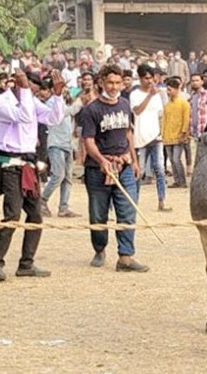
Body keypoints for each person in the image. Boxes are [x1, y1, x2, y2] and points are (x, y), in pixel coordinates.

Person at [0, 69, 67, 281]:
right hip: (11, 164)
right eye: (30, 85)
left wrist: (58, 96)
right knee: (13, 215)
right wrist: (24, 90)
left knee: (35, 215)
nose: (34, 90)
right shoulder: (1, 102)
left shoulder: (31, 101)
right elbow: (24, 116)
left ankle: (26, 264)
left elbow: (53, 118)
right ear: (18, 83)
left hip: (29, 165)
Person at [78, 65, 149, 272]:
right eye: (110, 82)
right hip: (98, 170)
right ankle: (100, 249)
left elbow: (128, 134)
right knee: (98, 214)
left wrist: (134, 161)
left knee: (127, 211)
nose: (114, 87)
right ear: (101, 82)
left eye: (118, 83)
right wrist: (101, 161)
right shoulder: (92, 110)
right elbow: (88, 141)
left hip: (124, 166)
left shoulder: (125, 105)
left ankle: (125, 257)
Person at [130, 65, 171, 212]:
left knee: (159, 169)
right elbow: (137, 111)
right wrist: (149, 95)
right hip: (141, 136)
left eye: (151, 78)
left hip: (156, 136)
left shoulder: (158, 95)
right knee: (139, 172)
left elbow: (161, 114)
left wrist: (162, 131)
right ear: (140, 78)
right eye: (146, 78)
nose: (149, 81)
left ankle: (162, 201)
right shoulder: (135, 94)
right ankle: (134, 203)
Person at [41, 82, 83, 218]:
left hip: (67, 144)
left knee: (67, 178)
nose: (65, 90)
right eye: (62, 87)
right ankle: (41, 201)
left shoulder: (65, 102)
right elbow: (62, 114)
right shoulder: (51, 102)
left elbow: (70, 124)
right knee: (58, 175)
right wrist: (79, 103)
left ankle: (63, 207)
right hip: (56, 144)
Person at [161, 77, 190, 188]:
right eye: (167, 90)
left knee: (176, 159)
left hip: (179, 137)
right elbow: (164, 120)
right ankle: (177, 181)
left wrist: (183, 133)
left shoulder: (184, 104)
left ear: (177, 89)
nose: (168, 92)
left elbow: (186, 120)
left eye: (170, 90)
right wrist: (162, 133)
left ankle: (182, 181)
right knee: (172, 161)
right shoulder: (167, 105)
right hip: (168, 136)